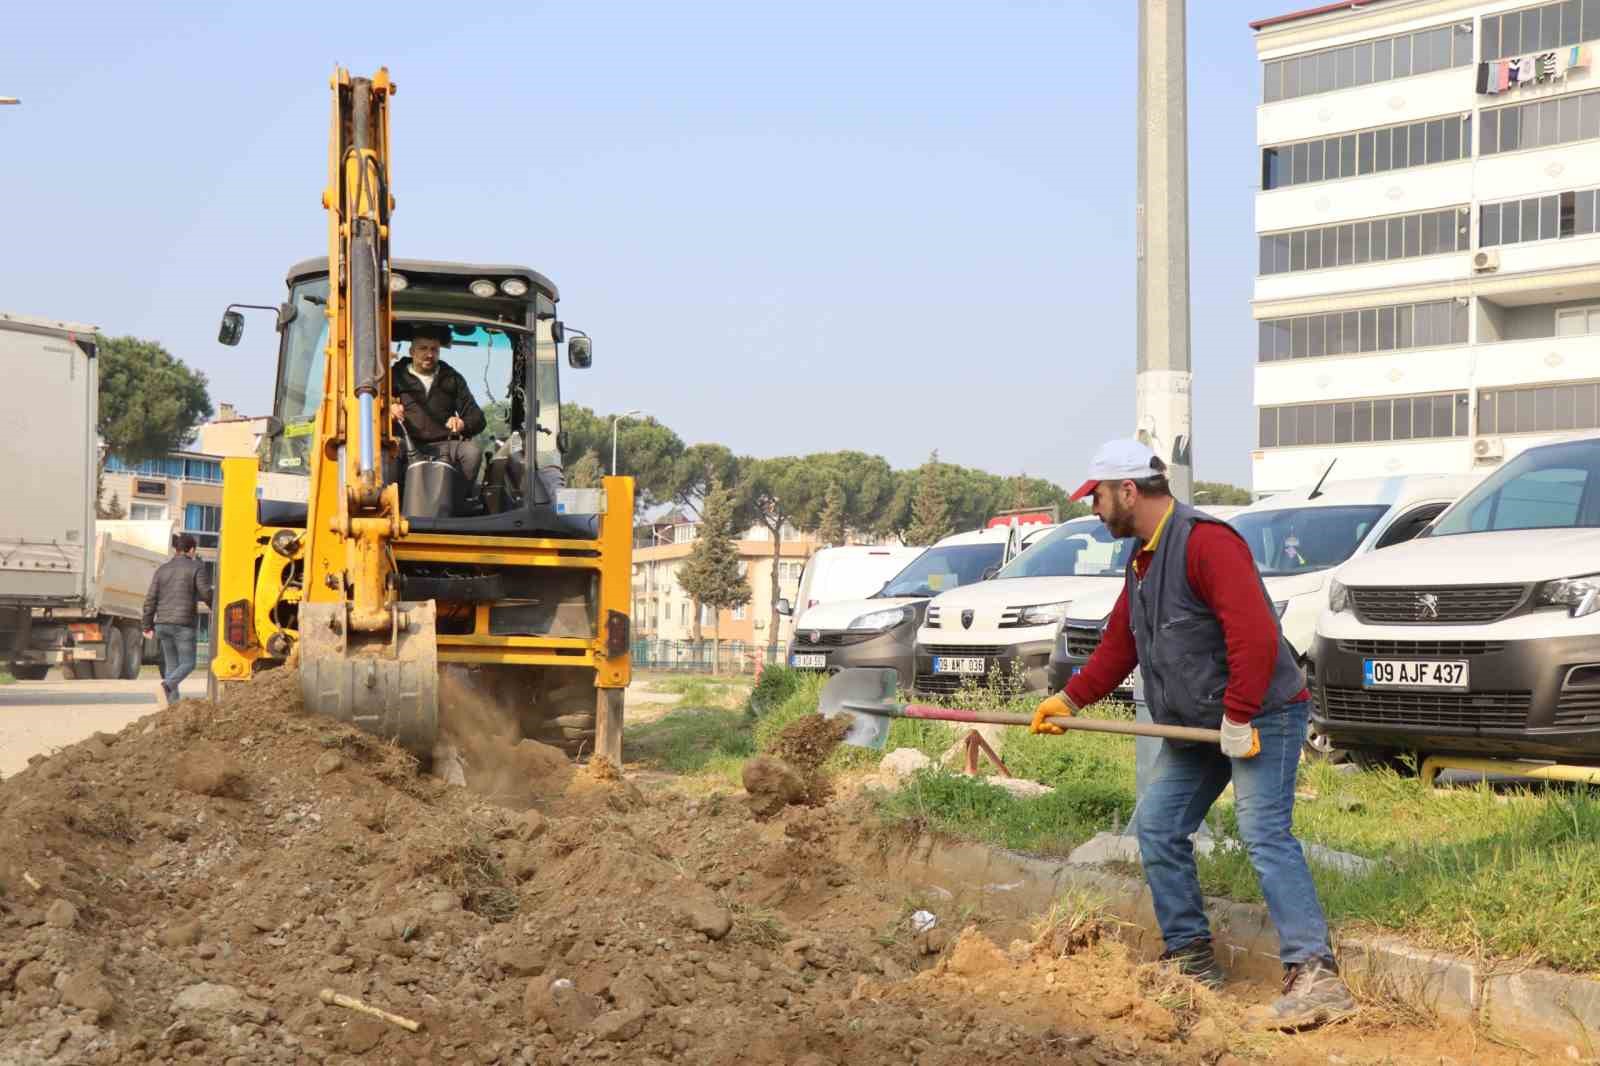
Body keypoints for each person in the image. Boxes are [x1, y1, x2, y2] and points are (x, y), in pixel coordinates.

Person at [1029, 439, 1355, 1030]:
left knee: (1264, 834)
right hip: (1197, 724)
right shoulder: (1141, 559)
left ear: (1128, 490)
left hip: (1261, 715)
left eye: (1097, 496)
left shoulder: (1208, 543)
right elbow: (1121, 643)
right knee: (1157, 826)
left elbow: (1255, 638)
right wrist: (1069, 697)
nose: (1094, 509)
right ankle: (1192, 958)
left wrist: (1238, 716)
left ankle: (1317, 975)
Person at [390, 325, 487, 483]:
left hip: (444, 444)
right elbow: (372, 405)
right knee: (386, 452)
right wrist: (389, 408)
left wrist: (462, 423)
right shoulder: (394, 376)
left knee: (472, 452)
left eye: (434, 349)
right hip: (405, 443)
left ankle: (457, 503)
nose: (429, 354)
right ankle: (395, 501)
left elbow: (478, 418)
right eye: (423, 348)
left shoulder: (452, 378)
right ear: (412, 351)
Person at [142, 533, 213, 707]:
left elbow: (150, 598)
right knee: (188, 663)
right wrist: (215, 607)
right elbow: (205, 593)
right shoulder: (196, 567)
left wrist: (147, 624)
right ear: (192, 550)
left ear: (177, 549)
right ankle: (166, 687)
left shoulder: (162, 569)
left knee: (172, 666)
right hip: (183, 624)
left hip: (163, 624)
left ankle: (172, 706)